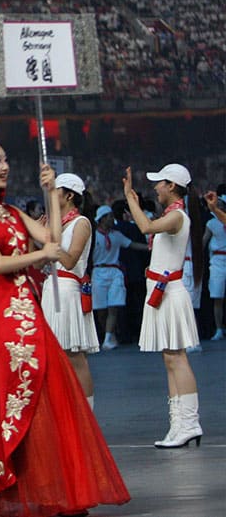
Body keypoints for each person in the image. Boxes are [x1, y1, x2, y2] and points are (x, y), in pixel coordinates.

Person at [0, 140, 129, 517]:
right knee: (5, 398)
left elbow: (51, 239)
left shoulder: (11, 210)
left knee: (42, 394)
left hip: (28, 312)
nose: (4, 165)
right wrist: (43, 255)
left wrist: (52, 197)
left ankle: (47, 485)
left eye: (6, 159)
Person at [124, 164, 205, 448]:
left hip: (170, 292)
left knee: (177, 357)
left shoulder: (177, 216)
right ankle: (178, 423)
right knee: (170, 358)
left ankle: (190, 422)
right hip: (162, 291)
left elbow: (145, 226)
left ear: (172, 186)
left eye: (160, 183)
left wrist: (132, 201)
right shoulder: (173, 215)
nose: (155, 188)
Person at [43, 173, 98, 408]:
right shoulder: (52, 223)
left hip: (68, 289)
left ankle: (87, 412)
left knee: (75, 355)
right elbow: (36, 262)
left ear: (69, 195)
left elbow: (70, 259)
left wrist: (50, 241)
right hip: (50, 289)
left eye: (56, 191)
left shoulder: (81, 223)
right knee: (54, 356)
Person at [90, 205, 145, 350]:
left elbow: (131, 245)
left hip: (114, 272)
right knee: (101, 309)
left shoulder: (116, 235)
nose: (111, 219)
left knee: (114, 306)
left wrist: (150, 247)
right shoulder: (93, 236)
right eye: (108, 216)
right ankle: (110, 333)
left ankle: (108, 338)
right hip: (99, 272)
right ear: (101, 219)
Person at [203, 189, 226, 341]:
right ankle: (218, 329)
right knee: (217, 296)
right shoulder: (211, 223)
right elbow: (204, 241)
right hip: (218, 262)